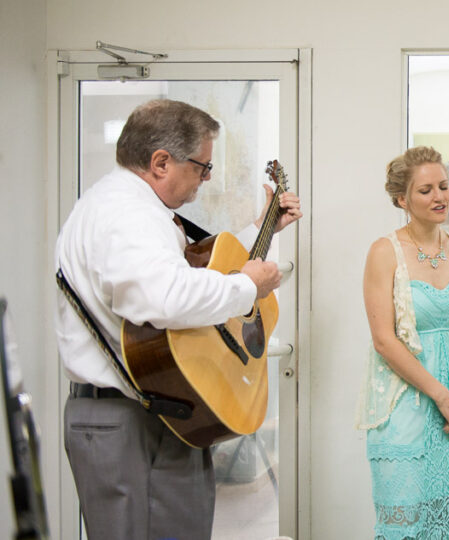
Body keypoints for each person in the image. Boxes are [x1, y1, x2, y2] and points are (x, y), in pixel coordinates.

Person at [54, 98, 302, 540]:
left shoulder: (136, 210)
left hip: (157, 408)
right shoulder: (126, 215)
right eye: (202, 167)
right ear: (161, 162)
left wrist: (261, 231)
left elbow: (192, 271)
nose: (205, 180)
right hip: (128, 421)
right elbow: (165, 298)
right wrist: (248, 288)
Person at [356, 146, 449, 540]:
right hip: (405, 406)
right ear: (402, 199)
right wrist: (441, 397)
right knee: (405, 525)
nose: (440, 197)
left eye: (444, 187)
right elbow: (384, 340)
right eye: (426, 190)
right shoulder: (384, 252)